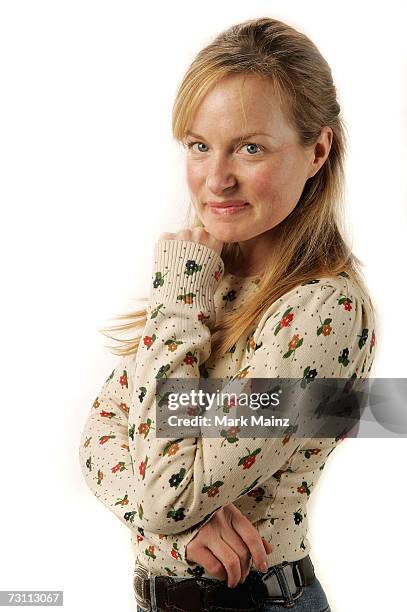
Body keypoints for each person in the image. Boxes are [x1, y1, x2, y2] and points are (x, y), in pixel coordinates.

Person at [79, 16, 377, 612]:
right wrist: (182, 530)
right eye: (199, 146)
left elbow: (171, 493)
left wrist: (179, 298)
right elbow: (98, 439)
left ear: (318, 150)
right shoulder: (207, 283)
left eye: (250, 147)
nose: (216, 179)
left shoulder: (322, 311)